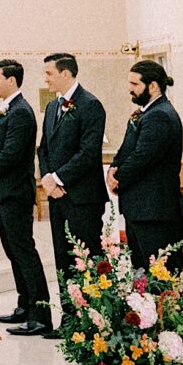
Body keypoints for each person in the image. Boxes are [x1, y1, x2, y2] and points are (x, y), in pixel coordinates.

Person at [37, 52, 106, 333]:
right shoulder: (53, 107)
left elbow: (89, 152)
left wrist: (58, 177)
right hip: (58, 197)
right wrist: (47, 177)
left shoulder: (91, 105)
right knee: (63, 259)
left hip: (82, 197)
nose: (45, 78)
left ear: (66, 74)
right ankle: (68, 318)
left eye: (49, 73)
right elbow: (44, 148)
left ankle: (90, 319)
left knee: (85, 259)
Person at [0, 59, 49, 336]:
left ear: (12, 80)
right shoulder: (5, 109)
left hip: (15, 192)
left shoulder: (20, 111)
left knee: (24, 251)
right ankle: (24, 305)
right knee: (12, 251)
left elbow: (12, 152)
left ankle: (40, 313)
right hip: (2, 191)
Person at [108, 60, 183, 273]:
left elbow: (143, 156)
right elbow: (126, 150)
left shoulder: (160, 114)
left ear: (152, 86)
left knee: (163, 271)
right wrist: (112, 169)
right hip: (140, 208)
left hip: (154, 209)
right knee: (142, 269)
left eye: (135, 84)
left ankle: (172, 308)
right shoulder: (145, 112)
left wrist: (119, 177)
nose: (130, 89)